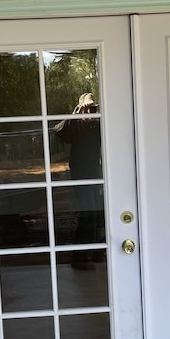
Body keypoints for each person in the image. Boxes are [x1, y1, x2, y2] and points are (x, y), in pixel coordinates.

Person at [54, 93, 104, 269]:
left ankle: (97, 251)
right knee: (88, 213)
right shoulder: (75, 125)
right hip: (81, 174)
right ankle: (79, 258)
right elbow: (59, 130)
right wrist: (77, 114)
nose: (91, 111)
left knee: (99, 212)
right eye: (88, 107)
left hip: (95, 173)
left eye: (94, 108)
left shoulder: (97, 125)